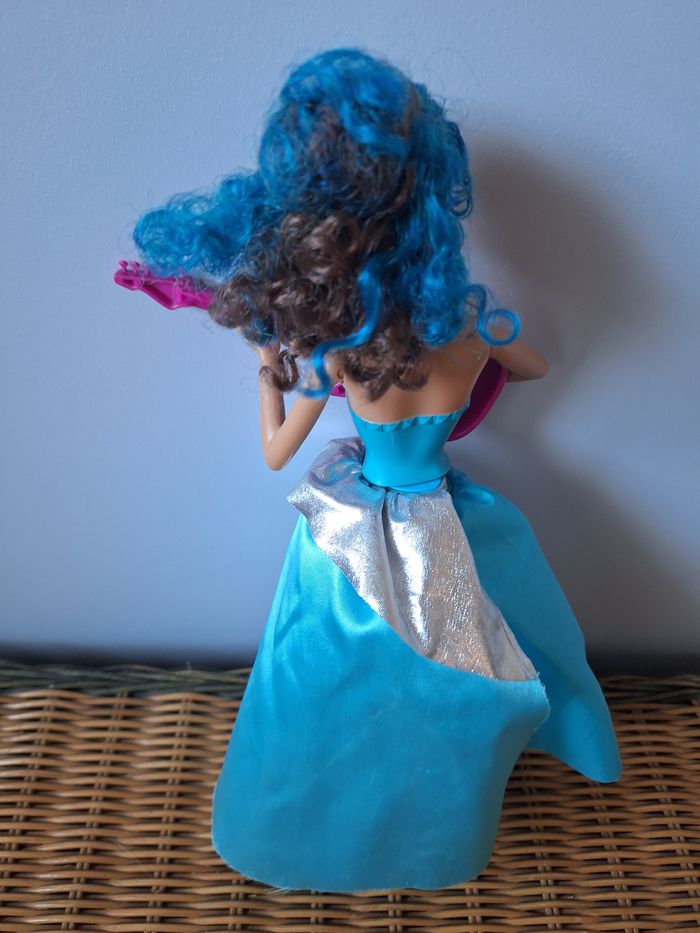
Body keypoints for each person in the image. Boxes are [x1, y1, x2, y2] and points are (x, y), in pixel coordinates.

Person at [130, 46, 622, 892]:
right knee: (477, 659)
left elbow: (276, 453)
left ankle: (334, 811)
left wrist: (268, 374)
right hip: (446, 519)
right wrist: (487, 359)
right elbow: (535, 366)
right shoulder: (472, 333)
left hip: (359, 527)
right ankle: (443, 801)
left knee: (330, 675)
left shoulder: (341, 354)